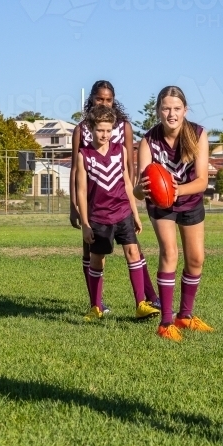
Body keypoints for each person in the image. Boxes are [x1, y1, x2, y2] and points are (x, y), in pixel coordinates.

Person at [70, 80, 159, 317]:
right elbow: (77, 177)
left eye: (109, 99)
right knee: (94, 256)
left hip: (121, 205)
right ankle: (96, 304)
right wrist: (76, 209)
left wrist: (135, 209)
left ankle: (145, 300)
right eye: (100, 99)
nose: (104, 103)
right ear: (92, 99)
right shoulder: (82, 131)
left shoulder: (123, 130)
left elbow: (129, 170)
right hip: (95, 208)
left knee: (133, 251)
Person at [134, 86, 212, 342]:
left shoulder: (198, 134)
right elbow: (138, 189)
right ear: (158, 111)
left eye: (177, 109)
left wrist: (177, 190)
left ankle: (185, 316)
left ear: (185, 110)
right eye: (166, 108)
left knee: (197, 259)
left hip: (189, 199)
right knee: (170, 253)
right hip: (161, 204)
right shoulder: (148, 140)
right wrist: (139, 189)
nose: (171, 114)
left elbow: (201, 181)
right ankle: (166, 321)